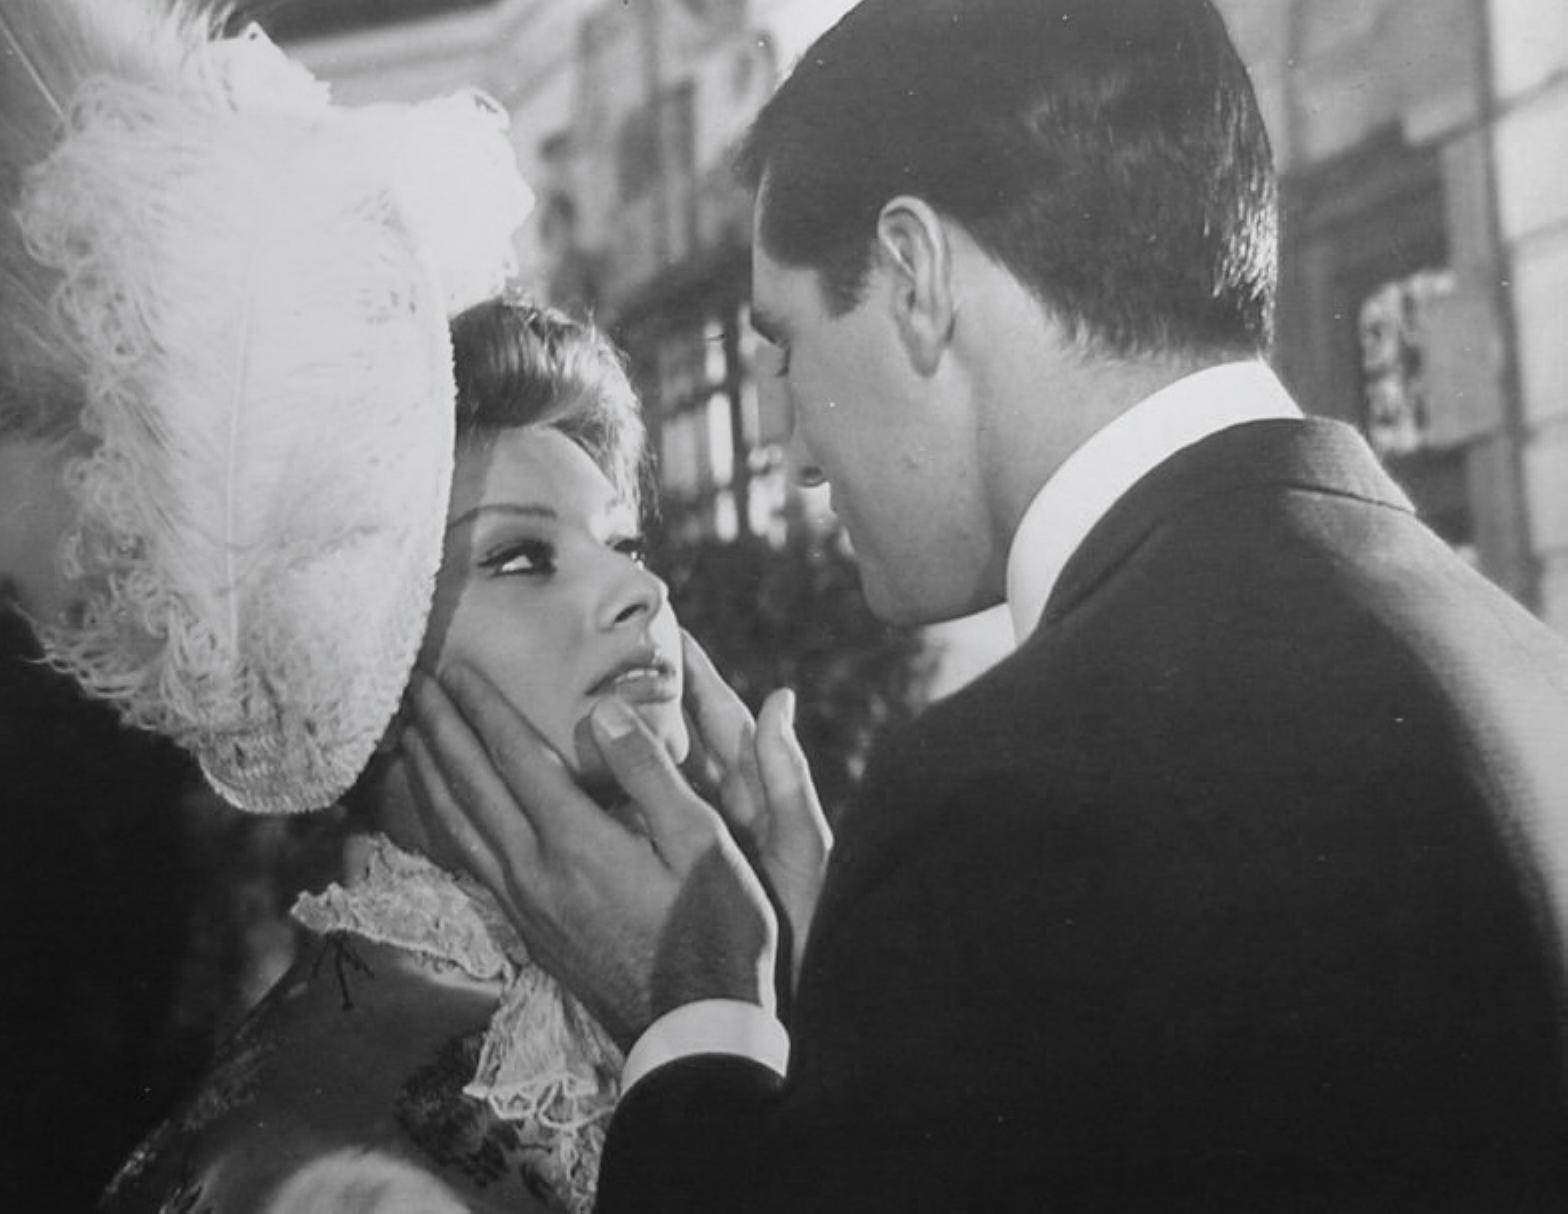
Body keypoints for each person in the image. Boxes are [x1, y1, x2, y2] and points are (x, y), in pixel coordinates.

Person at [405, 0, 1568, 1209]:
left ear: (915, 275)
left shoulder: (1014, 790)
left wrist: (693, 1004)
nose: (795, 453)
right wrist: (857, 976)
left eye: (786, 347)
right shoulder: (1528, 668)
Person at [102, 294, 735, 1213]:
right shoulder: (336, 1175)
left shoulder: (627, 1018)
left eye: (624, 544)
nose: (640, 589)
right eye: (521, 557)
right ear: (366, 663)